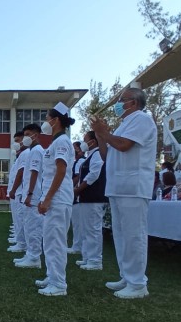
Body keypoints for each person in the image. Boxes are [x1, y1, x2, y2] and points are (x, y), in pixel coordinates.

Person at [91, 87, 157, 299]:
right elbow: (106, 154)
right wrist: (101, 134)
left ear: (134, 103)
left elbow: (124, 146)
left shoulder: (142, 119)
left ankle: (138, 283)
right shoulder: (123, 125)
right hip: (118, 187)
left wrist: (105, 133)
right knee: (121, 235)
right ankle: (127, 277)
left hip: (133, 187)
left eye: (122, 100)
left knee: (134, 235)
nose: (118, 104)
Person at [34, 104, 76, 296]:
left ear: (55, 120)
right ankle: (52, 277)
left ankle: (59, 284)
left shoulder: (62, 142)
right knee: (49, 240)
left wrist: (48, 198)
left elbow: (61, 170)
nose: (45, 122)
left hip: (58, 198)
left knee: (56, 241)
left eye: (47, 118)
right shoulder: (56, 142)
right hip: (54, 197)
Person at [73, 131, 107, 271]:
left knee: (93, 229)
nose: (83, 142)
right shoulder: (90, 155)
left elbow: (94, 174)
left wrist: (79, 189)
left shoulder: (98, 153)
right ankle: (87, 257)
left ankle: (95, 260)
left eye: (85, 139)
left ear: (93, 141)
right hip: (86, 198)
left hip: (94, 197)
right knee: (86, 229)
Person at [14, 124, 44, 269]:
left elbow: (34, 173)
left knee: (34, 227)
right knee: (28, 225)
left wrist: (30, 194)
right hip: (29, 194)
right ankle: (30, 254)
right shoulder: (32, 151)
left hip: (33, 195)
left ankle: (34, 257)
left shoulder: (37, 151)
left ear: (36, 135)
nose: (25, 138)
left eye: (27, 134)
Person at [7, 132, 29, 253]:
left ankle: (22, 243)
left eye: (18, 140)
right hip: (18, 191)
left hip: (20, 191)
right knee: (18, 218)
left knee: (21, 218)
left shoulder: (26, 154)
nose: (16, 143)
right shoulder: (21, 155)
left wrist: (13, 190)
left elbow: (20, 174)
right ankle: (20, 240)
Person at [67, 141, 86, 255]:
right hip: (74, 194)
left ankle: (77, 246)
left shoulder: (81, 161)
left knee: (77, 223)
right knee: (75, 222)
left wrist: (71, 188)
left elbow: (78, 176)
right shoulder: (77, 161)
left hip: (76, 194)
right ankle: (76, 245)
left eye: (74, 148)